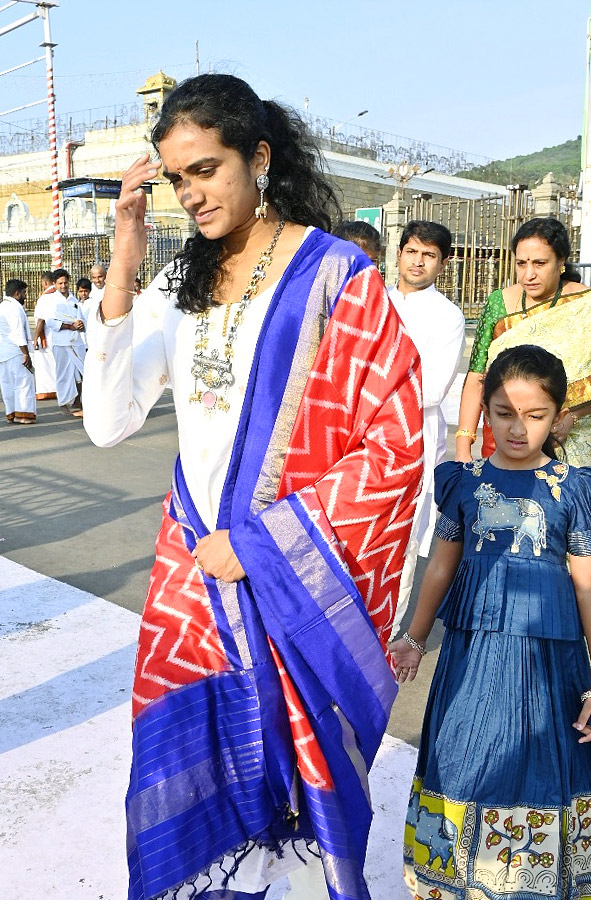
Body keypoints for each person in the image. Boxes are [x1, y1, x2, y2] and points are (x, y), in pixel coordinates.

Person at [82, 73, 424, 900]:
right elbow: (107, 420)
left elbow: (397, 444)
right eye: (174, 179)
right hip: (193, 582)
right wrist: (127, 259)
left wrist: (263, 545)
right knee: (199, 794)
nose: (189, 194)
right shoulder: (177, 286)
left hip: (287, 578)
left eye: (205, 170)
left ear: (258, 156)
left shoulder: (338, 276)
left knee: (296, 805)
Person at [391, 344, 591, 900]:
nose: (517, 428)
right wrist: (414, 636)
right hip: (470, 656)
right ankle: (451, 882)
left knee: (544, 764)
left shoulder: (576, 488)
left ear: (558, 418)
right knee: (460, 758)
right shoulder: (463, 482)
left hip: (552, 664)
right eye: (504, 413)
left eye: (534, 416)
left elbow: (590, 585)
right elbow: (441, 562)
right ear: (484, 413)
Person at [456, 217, 591, 467]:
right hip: (504, 437)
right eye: (521, 264)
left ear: (561, 262)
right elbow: (477, 376)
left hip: (568, 442)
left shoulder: (589, 305)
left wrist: (572, 418)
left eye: (540, 263)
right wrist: (463, 446)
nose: (529, 274)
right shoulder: (499, 304)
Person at [388, 221, 465, 625]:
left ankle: (386, 634)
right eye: (412, 251)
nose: (418, 262)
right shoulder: (374, 302)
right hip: (357, 439)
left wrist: (369, 390)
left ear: (443, 263)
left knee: (402, 537)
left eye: (429, 255)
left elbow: (432, 390)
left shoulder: (447, 316)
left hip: (411, 441)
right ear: (399, 253)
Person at [46, 268, 85, 417]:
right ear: (55, 284)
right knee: (63, 373)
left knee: (82, 372)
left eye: (66, 283)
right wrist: (70, 326)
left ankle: (78, 400)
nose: (63, 286)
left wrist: (81, 326)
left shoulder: (74, 300)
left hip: (76, 342)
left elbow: (81, 320)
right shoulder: (51, 300)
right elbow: (50, 322)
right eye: (60, 283)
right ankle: (63, 401)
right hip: (61, 343)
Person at [0, 278, 36, 424]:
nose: (25, 296)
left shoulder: (2, 306)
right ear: (16, 293)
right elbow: (18, 333)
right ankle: (23, 415)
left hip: (3, 354)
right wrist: (26, 354)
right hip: (16, 352)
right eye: (24, 292)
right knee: (23, 383)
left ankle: (12, 414)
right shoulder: (14, 308)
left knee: (7, 384)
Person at [33, 270, 57, 400]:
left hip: (47, 336)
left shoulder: (45, 298)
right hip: (60, 335)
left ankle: (47, 391)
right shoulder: (60, 295)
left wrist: (36, 337)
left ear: (44, 282)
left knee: (45, 365)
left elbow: (40, 319)